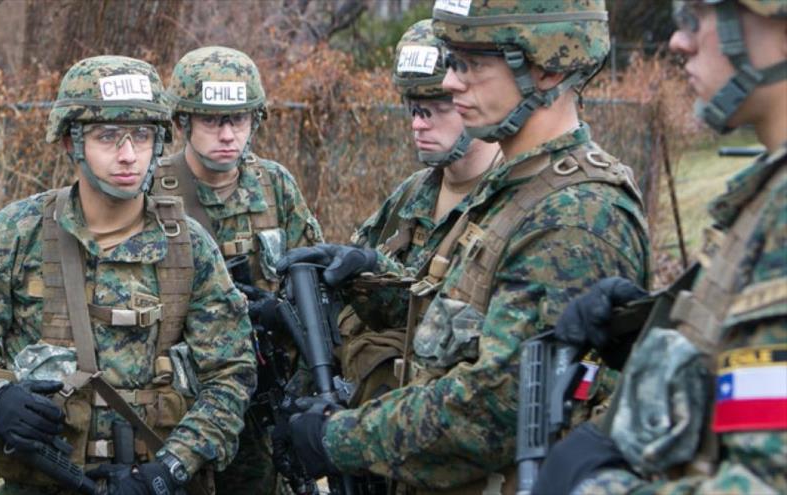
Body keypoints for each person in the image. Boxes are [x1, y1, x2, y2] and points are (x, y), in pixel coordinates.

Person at [275, 0, 651, 493]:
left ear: (546, 69)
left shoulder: (577, 214)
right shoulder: (512, 191)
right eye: (454, 63)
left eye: (471, 64)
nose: (452, 83)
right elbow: (453, 324)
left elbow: (500, 408)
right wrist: (367, 277)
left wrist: (338, 438)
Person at [0, 55, 256, 495]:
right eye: (107, 136)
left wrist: (170, 468)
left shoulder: (189, 246)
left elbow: (230, 374)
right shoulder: (18, 233)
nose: (128, 155)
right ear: (70, 142)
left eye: (142, 135)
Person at [534, 1, 787, 493]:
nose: (679, 41)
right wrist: (651, 336)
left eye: (700, 16)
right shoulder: (767, 193)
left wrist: (593, 487)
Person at [153, 45, 324, 494]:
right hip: (183, 400)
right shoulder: (153, 189)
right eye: (213, 121)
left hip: (265, 395)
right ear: (183, 122)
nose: (228, 134)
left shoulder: (274, 185)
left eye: (239, 120)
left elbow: (313, 288)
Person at [335, 18, 502, 408]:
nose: (418, 124)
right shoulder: (413, 192)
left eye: (438, 107)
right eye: (413, 107)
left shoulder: (506, 201)